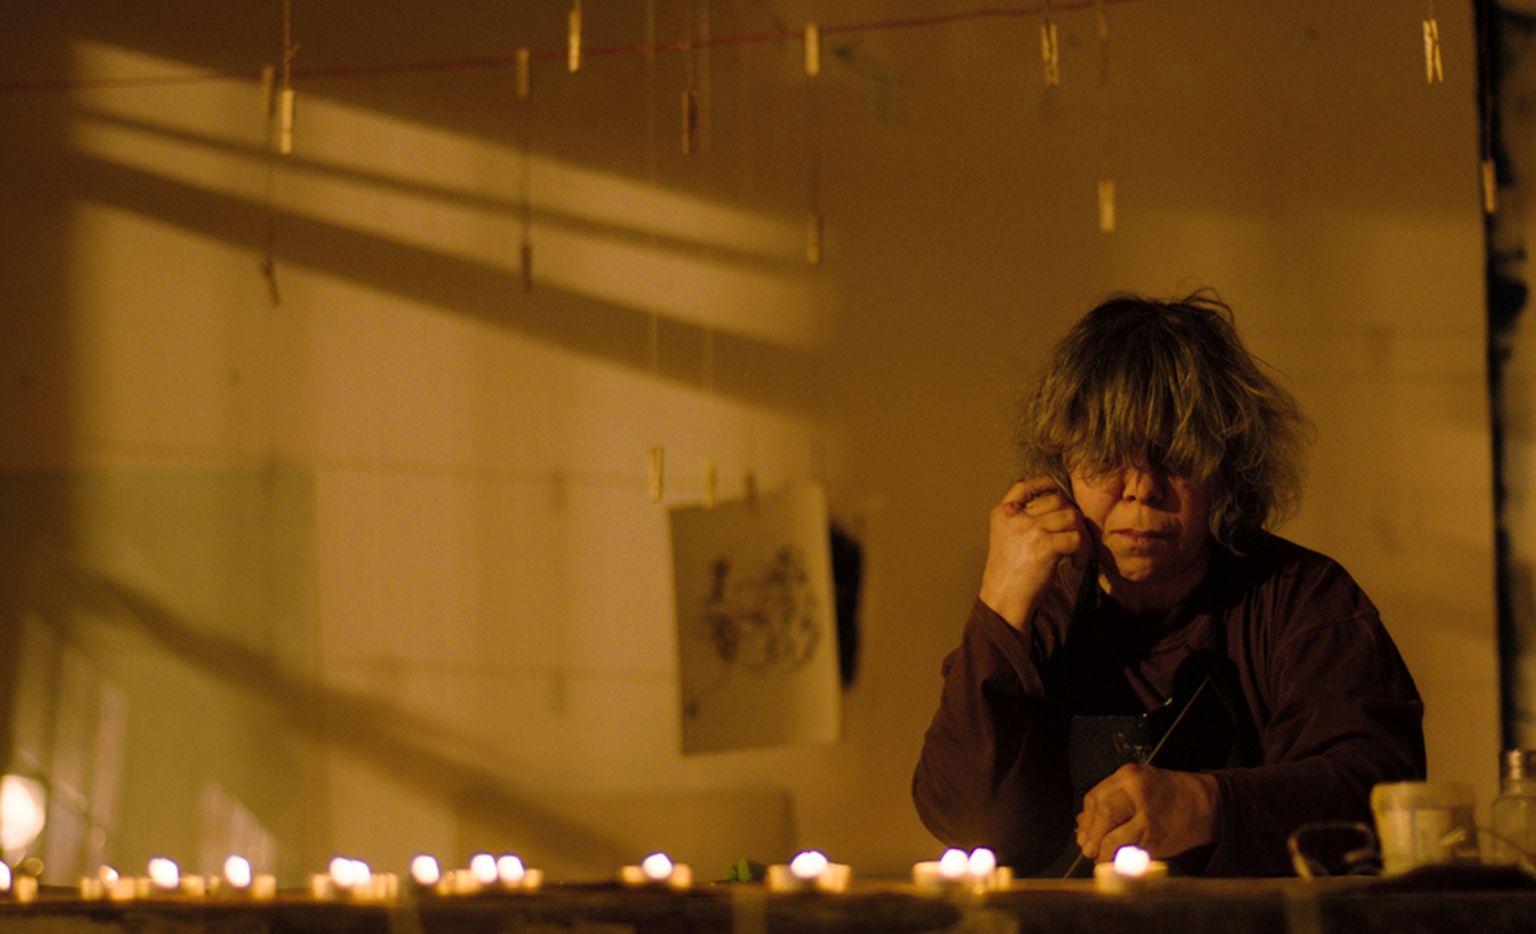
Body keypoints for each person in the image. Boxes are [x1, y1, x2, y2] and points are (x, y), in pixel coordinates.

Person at [911, 293, 1425, 876]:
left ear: (1227, 465)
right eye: (1108, 456)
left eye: (1175, 457)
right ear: (1063, 462)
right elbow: (959, 819)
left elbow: (1380, 790)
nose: (1141, 488)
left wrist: (1206, 804)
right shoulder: (1039, 609)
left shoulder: (1303, 599)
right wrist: (999, 607)